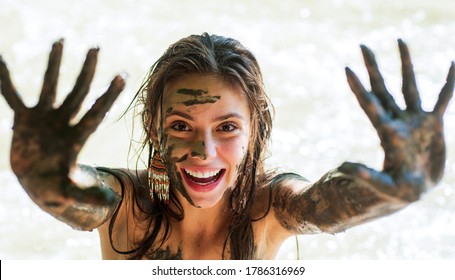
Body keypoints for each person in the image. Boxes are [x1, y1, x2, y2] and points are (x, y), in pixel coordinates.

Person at [0, 33, 453, 260]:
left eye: (227, 127)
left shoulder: (272, 208)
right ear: (152, 127)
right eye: (180, 125)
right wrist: (41, 175)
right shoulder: (127, 208)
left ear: (255, 130)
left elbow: (326, 203)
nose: (204, 150)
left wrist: (394, 187)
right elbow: (72, 194)